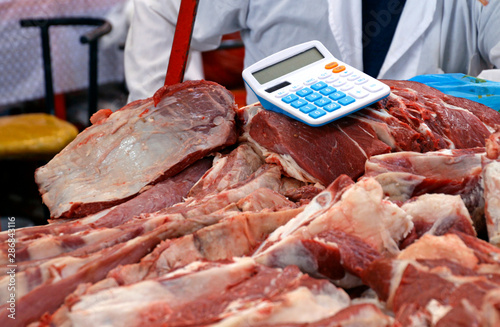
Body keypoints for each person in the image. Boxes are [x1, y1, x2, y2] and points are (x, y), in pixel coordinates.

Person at [124, 0, 500, 104]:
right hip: (276, 177)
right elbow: (163, 10)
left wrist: (468, 102)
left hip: (420, 187)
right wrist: (158, 126)